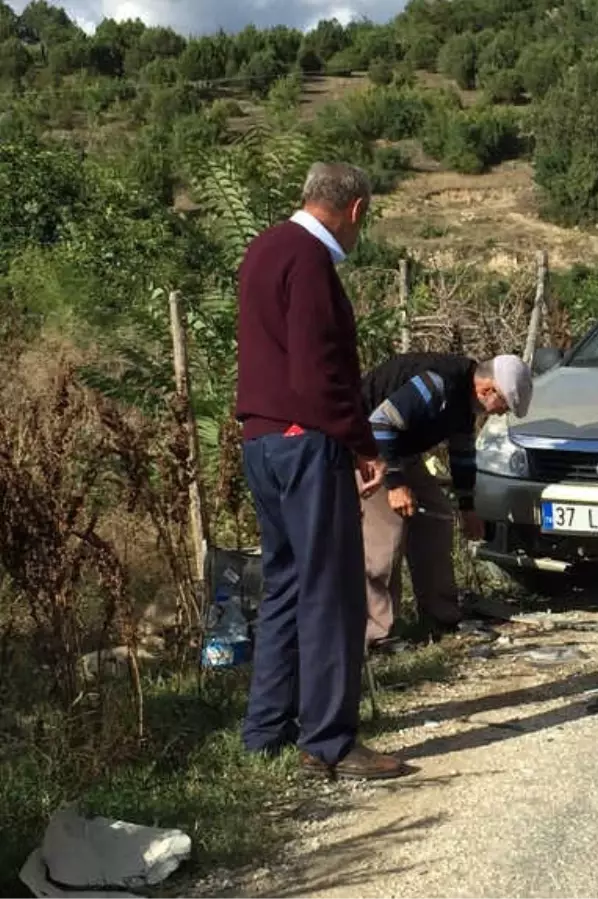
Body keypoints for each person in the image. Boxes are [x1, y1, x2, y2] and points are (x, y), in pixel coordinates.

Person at [235, 161, 407, 780]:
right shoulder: (309, 261)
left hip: (261, 442)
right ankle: (328, 739)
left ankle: (265, 730)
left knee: (284, 584)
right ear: (356, 208)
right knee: (332, 592)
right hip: (307, 443)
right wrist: (363, 446)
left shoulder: (263, 248)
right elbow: (318, 374)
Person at [359, 352, 533, 651]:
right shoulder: (436, 384)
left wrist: (468, 507)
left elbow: (462, 453)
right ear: (487, 390)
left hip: (400, 452)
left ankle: (441, 615)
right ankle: (378, 633)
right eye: (504, 405)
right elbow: (379, 423)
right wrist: (396, 484)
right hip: (368, 449)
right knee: (387, 531)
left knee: (437, 517)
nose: (501, 413)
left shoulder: (464, 402)